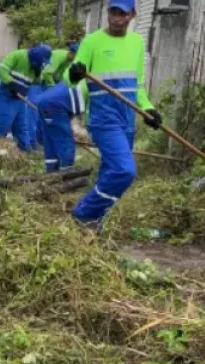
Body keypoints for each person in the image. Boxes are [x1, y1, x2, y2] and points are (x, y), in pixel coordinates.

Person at [66, 0, 162, 232]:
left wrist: (148, 109)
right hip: (103, 118)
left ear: (132, 15)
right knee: (124, 170)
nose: (117, 18)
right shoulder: (92, 41)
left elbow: (137, 85)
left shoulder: (137, 43)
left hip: (127, 118)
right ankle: (83, 213)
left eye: (122, 13)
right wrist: (75, 73)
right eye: (113, 12)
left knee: (110, 171)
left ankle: (92, 224)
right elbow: (69, 80)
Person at [0, 44, 53, 152]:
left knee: (21, 125)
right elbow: (1, 69)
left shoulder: (36, 67)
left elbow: (37, 81)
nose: (43, 64)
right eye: (42, 62)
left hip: (21, 97)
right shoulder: (17, 55)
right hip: (8, 95)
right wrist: (11, 83)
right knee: (5, 122)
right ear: (36, 58)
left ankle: (25, 147)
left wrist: (38, 74)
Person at [27, 42, 80, 148]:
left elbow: (61, 76)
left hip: (48, 83)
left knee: (45, 112)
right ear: (72, 53)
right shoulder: (60, 56)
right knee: (36, 111)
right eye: (77, 56)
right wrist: (53, 87)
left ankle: (41, 139)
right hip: (40, 83)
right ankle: (33, 140)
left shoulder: (68, 61)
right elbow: (47, 73)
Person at [34, 81, 88, 173]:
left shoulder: (74, 79)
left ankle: (51, 169)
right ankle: (67, 170)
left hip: (44, 101)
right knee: (65, 139)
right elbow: (81, 114)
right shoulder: (86, 88)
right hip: (56, 105)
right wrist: (83, 128)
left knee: (50, 139)